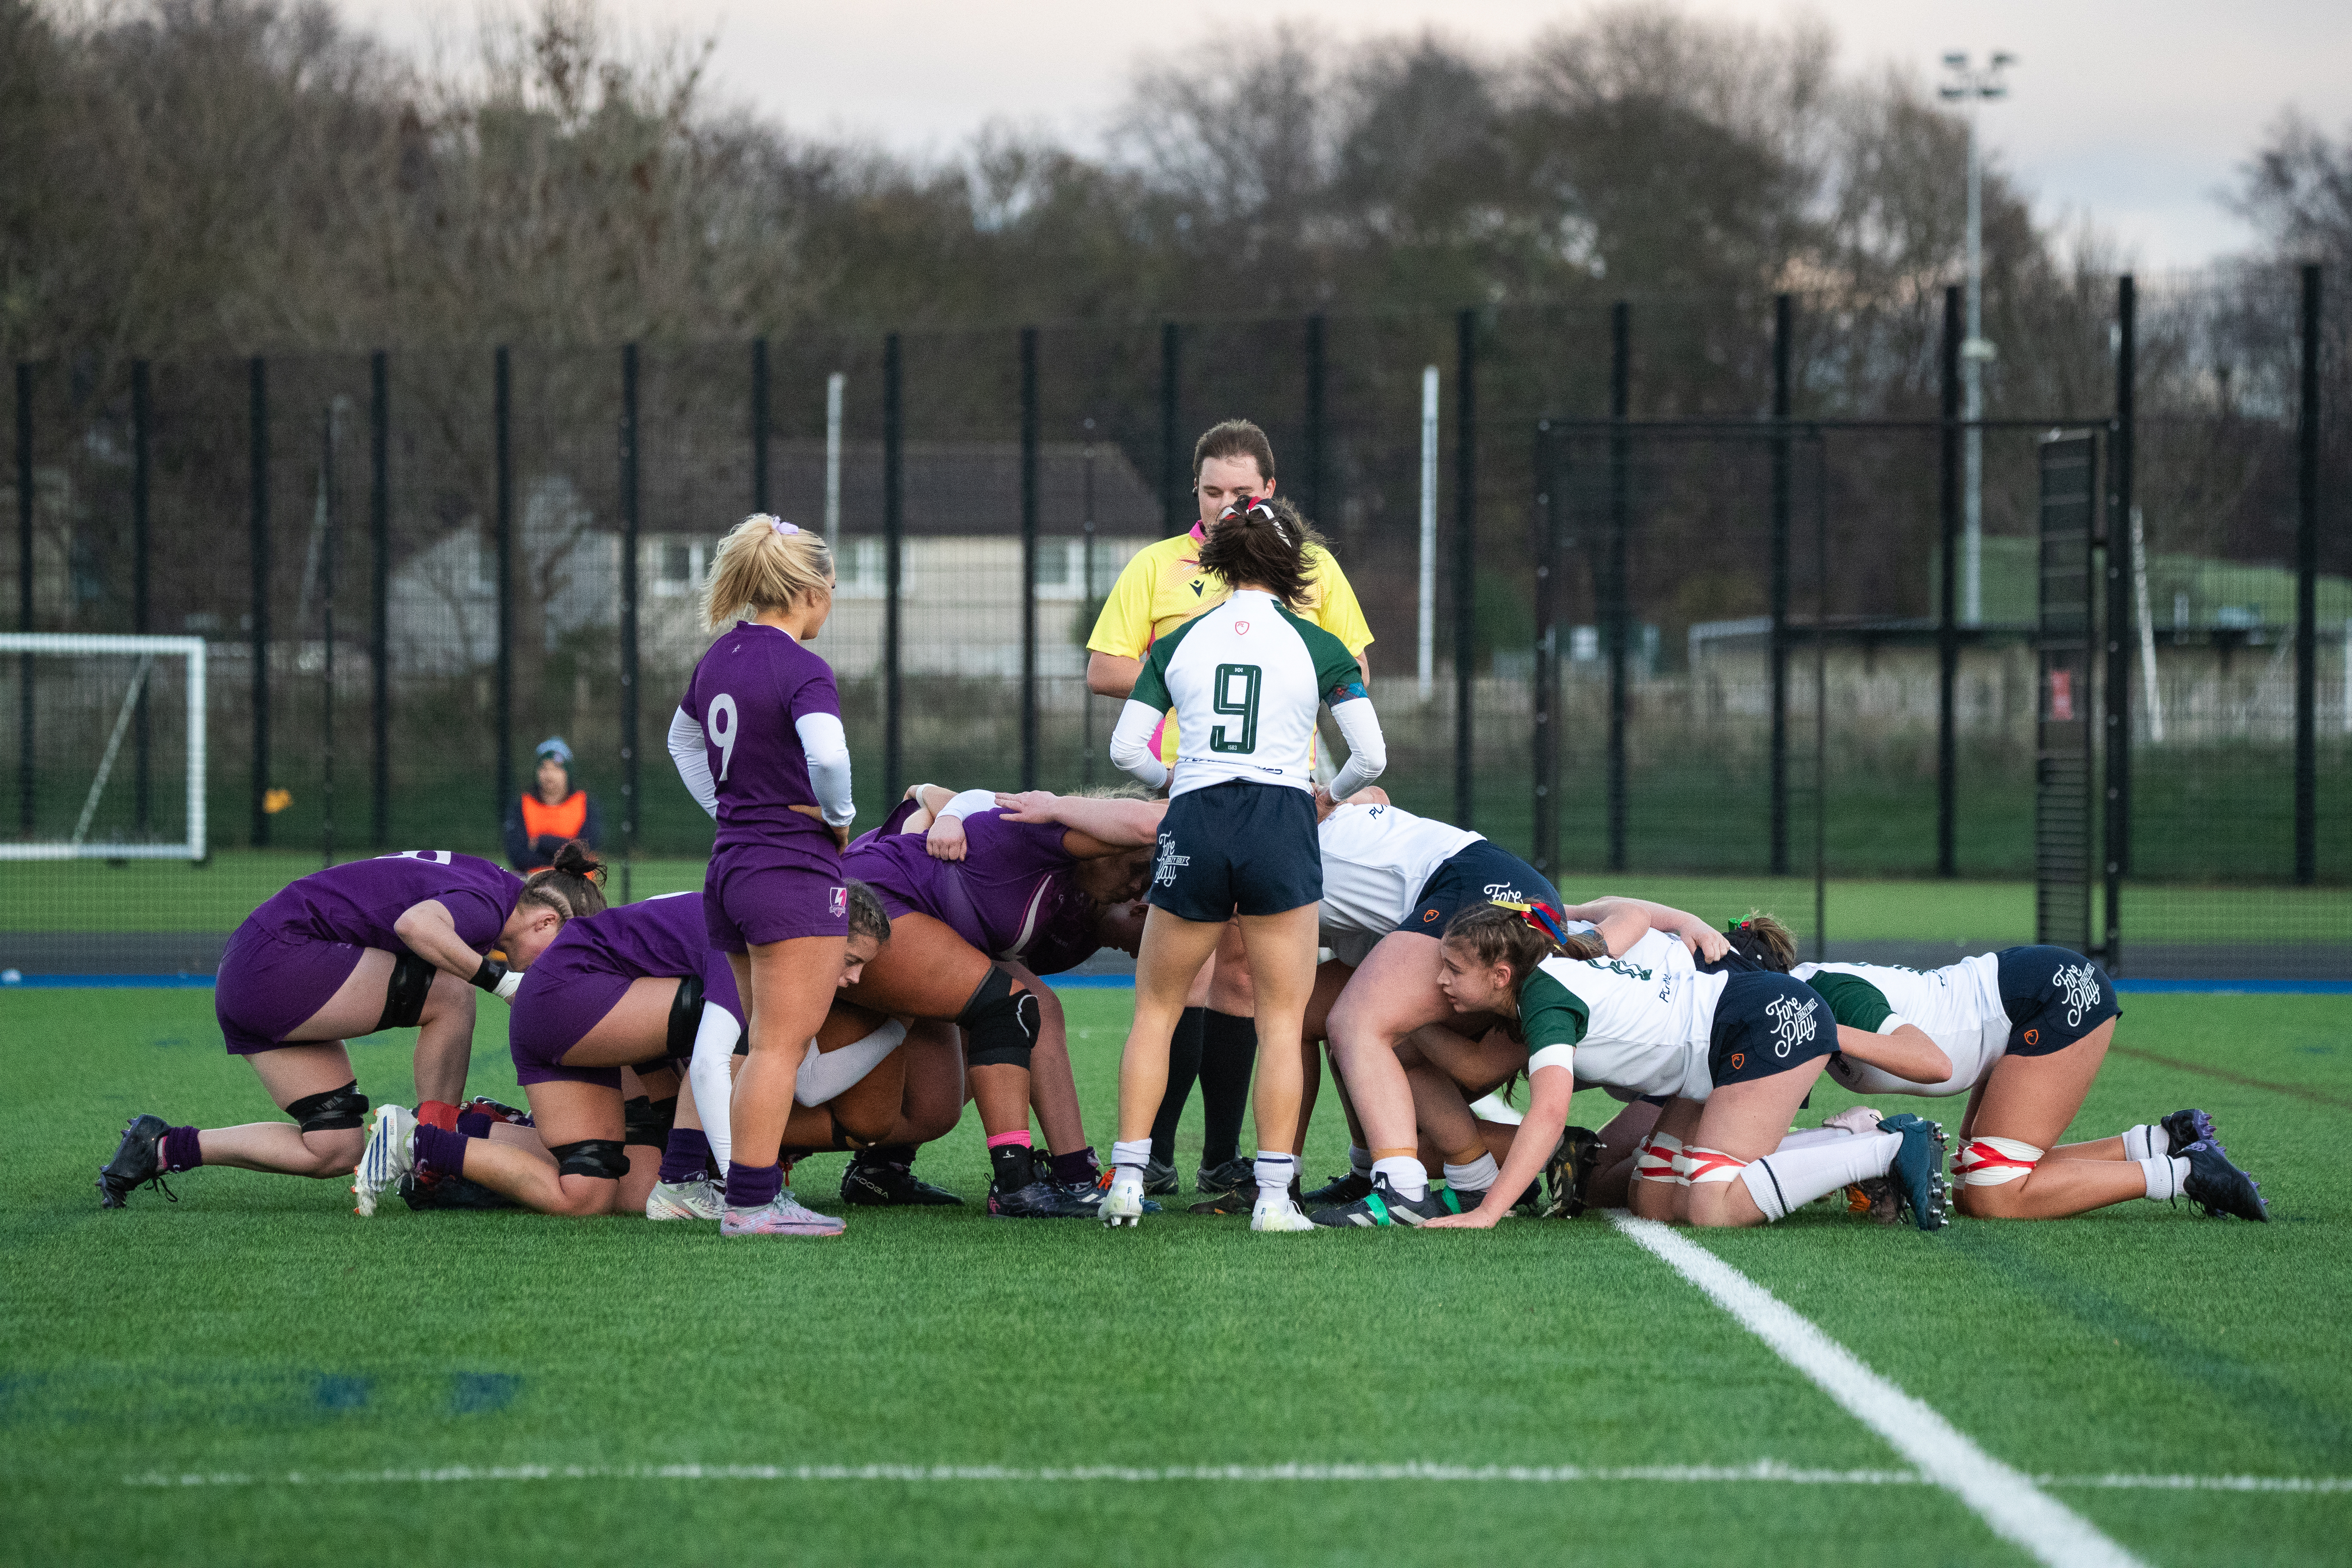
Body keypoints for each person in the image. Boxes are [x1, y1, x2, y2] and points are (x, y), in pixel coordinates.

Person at [1085, 418, 1375, 1207]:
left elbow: (1124, 748)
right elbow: (1372, 752)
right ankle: (1274, 1196)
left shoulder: (1184, 641)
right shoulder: (1312, 637)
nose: (1221, 504)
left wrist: (1178, 774)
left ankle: (1131, 1180)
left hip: (1196, 810)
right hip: (1282, 810)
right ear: (1291, 559)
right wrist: (1330, 791)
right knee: (1284, 1016)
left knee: (1156, 1002)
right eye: (1211, 490)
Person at [1329, 898, 1948, 1232]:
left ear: (1500, 975)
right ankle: (1850, 1138)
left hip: (1760, 1022)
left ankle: (1890, 1149)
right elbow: (1631, 916)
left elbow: (1548, 1113)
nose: (1439, 982)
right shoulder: (1545, 974)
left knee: (1712, 1208)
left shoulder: (1546, 1000)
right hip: (1714, 1053)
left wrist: (1489, 1213)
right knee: (1652, 1200)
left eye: (1452, 971)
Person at [95, 844, 607, 1208]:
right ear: (545, 921)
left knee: (333, 1148)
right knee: (451, 994)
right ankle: (433, 1148)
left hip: (254, 972)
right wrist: (503, 983)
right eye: (565, 951)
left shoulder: (490, 887)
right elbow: (416, 927)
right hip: (278, 962)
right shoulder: (493, 902)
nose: (558, 970)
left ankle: (163, 1148)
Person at [348, 885, 893, 1221]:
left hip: (581, 1020)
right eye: (849, 958)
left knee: (591, 1196)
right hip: (565, 1000)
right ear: (821, 931)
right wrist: (742, 1186)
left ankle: (421, 1139)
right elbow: (715, 1058)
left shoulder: (774, 942)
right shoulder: (755, 942)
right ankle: (687, 1182)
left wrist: (898, 1029)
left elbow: (799, 1077)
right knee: (729, 1036)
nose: (854, 978)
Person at [667, 514, 857, 1238]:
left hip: (732, 864)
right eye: (831, 589)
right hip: (790, 866)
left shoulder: (721, 657)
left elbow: (681, 740)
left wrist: (727, 803)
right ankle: (751, 1202)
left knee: (761, 1040)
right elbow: (830, 754)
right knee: (782, 1044)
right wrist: (839, 815)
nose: (831, 602)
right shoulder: (801, 666)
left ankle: (749, 1192)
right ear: (807, 590)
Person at [839, 784, 1157, 1216]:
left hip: (924, 922)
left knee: (936, 1109)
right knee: (1012, 1005)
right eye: (1139, 870)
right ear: (1107, 843)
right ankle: (1015, 1185)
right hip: (873, 897)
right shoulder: (1046, 827)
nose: (1139, 889)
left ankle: (1075, 1178)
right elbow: (949, 797)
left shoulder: (1078, 915)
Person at [1794, 948, 2266, 1222]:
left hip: (2051, 998)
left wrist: (1825, 1032)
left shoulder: (1824, 998)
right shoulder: (1796, 998)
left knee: (1993, 1194)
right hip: (2009, 1019)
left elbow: (1932, 1063)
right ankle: (2161, 1141)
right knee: (1967, 1187)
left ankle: (2188, 1175)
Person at [503, 737, 603, 872]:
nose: (549, 774)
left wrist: (540, 842)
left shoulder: (585, 804)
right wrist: (568, 850)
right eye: (544, 768)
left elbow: (585, 852)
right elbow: (518, 857)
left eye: (556, 769)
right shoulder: (521, 805)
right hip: (531, 883)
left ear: (568, 773)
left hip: (576, 884)